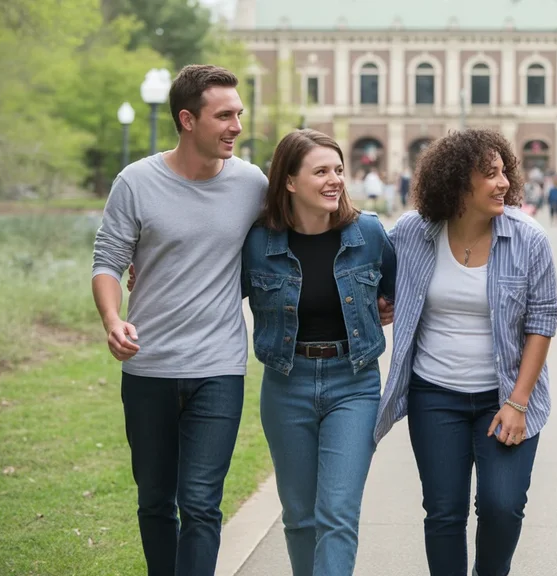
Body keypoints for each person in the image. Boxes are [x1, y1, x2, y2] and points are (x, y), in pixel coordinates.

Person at [91, 64, 268, 576]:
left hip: (219, 367)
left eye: (238, 114)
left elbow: (297, 236)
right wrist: (112, 319)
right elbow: (107, 260)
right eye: (224, 116)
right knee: (154, 500)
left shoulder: (251, 184)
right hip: (149, 365)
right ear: (188, 120)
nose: (237, 126)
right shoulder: (136, 182)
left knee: (201, 503)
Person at [374, 129, 557, 576]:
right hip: (434, 395)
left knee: (502, 506)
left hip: (506, 396)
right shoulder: (413, 233)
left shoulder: (528, 238)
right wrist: (380, 303)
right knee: (443, 512)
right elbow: (378, 281)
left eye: (504, 172)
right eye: (490, 174)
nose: (503, 183)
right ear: (457, 182)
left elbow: (542, 321)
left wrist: (518, 402)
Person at [241, 129, 395, 575]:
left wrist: (384, 306)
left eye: (339, 170)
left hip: (354, 383)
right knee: (300, 517)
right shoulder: (258, 243)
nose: (335, 180)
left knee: (337, 514)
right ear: (289, 181)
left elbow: (399, 287)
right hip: (286, 385)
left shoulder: (367, 233)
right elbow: (212, 287)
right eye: (321, 171)